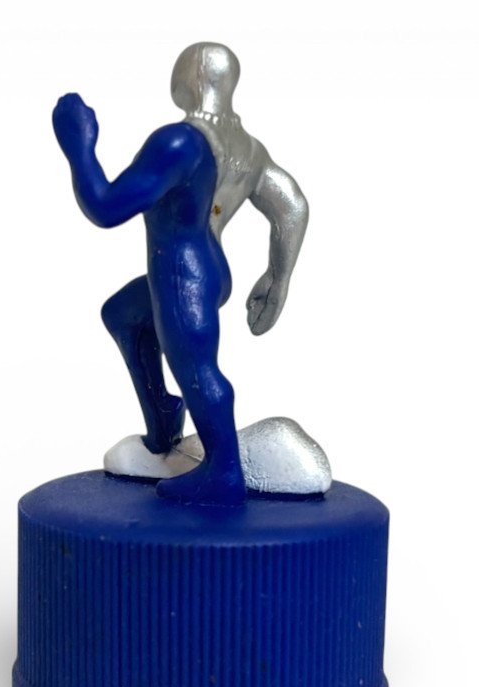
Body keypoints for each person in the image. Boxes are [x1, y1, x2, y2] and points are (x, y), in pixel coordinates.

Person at [52, 43, 308, 505]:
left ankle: (223, 472)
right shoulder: (247, 149)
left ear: (187, 81)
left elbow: (106, 206)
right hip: (212, 269)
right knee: (122, 314)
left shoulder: (179, 143)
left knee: (197, 368)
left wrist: (79, 146)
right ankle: (163, 414)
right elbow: (291, 204)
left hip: (180, 275)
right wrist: (278, 276)